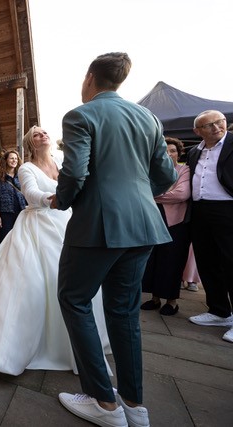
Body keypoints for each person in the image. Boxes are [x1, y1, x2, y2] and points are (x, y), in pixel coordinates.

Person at [52, 52, 176, 427]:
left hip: (98, 226)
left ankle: (103, 403)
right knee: (124, 313)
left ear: (90, 77)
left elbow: (75, 172)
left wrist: (62, 201)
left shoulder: (80, 115)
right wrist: (136, 196)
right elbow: (167, 175)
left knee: (74, 300)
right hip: (144, 226)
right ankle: (135, 407)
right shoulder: (148, 118)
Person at [0, 126, 111, 375]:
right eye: (36, 134)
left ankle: (77, 342)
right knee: (33, 281)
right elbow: (31, 194)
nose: (43, 135)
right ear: (30, 143)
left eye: (44, 132)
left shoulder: (61, 163)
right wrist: (52, 200)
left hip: (67, 223)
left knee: (74, 279)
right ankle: (17, 346)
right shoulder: (27, 168)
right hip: (38, 223)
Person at [186, 110, 233, 343]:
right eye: (209, 125)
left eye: (219, 122)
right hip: (200, 210)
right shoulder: (194, 151)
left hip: (228, 209)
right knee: (207, 261)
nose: (216, 127)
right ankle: (219, 311)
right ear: (197, 131)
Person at [141, 137, 191, 316]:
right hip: (152, 219)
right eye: (165, 151)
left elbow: (181, 194)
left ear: (179, 153)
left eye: (173, 151)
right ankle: (155, 298)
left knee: (171, 261)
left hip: (175, 222)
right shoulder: (151, 170)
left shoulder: (184, 170)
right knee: (152, 259)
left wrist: (152, 195)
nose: (169, 154)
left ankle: (171, 301)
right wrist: (165, 193)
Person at [0, 150, 26, 247]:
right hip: (5, 214)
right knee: (4, 241)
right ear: (6, 160)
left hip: (21, 212)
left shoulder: (22, 177)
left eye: (16, 159)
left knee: (20, 241)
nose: (14, 160)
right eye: (11, 158)